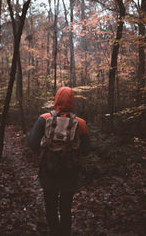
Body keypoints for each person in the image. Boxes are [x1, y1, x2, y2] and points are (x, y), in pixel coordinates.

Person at [28, 87, 89, 236]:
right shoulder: (80, 123)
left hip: (48, 169)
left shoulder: (44, 118)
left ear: (56, 98)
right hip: (70, 171)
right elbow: (86, 150)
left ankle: (55, 232)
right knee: (66, 208)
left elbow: (32, 143)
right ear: (72, 100)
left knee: (50, 206)